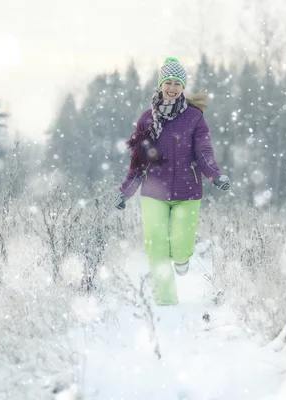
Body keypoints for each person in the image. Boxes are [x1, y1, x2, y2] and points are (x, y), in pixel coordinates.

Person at [114, 57, 231, 306]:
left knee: (179, 247)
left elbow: (204, 152)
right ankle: (165, 303)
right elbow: (138, 160)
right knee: (156, 247)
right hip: (153, 192)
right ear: (160, 85)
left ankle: (181, 259)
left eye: (177, 83)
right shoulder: (147, 119)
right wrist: (126, 191)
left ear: (182, 87)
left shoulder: (194, 118)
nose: (172, 87)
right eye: (168, 82)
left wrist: (215, 175)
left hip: (187, 192)